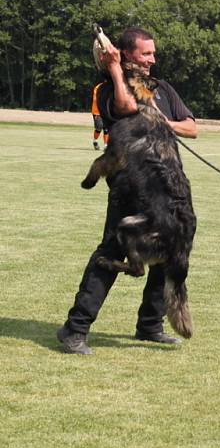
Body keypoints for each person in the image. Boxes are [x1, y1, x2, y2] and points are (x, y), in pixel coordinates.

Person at [58, 27, 198, 355]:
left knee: (170, 246)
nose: (152, 59)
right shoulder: (108, 88)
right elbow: (124, 108)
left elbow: (191, 127)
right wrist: (114, 69)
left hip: (167, 183)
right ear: (126, 54)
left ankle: (150, 326)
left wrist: (162, 121)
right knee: (113, 251)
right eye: (145, 53)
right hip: (129, 185)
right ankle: (75, 329)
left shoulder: (162, 89)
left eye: (153, 53)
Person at [91, 81, 109, 150]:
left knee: (106, 129)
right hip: (97, 111)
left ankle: (106, 145)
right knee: (99, 128)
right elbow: (96, 99)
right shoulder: (98, 87)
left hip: (106, 112)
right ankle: (95, 141)